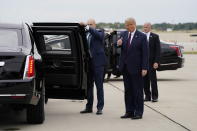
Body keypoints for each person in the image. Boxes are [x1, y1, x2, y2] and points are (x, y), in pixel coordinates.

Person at [116, 17, 148, 119]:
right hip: (125, 68)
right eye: (126, 25)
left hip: (137, 69)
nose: (128, 27)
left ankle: (138, 112)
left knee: (137, 91)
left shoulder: (142, 36)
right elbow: (120, 47)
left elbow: (145, 54)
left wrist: (144, 68)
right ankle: (129, 111)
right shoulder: (124, 34)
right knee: (128, 91)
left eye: (129, 24)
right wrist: (118, 44)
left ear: (134, 24)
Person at [80, 19, 106, 115]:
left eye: (91, 24)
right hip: (89, 64)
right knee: (89, 87)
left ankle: (100, 108)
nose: (89, 25)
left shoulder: (100, 32)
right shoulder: (86, 33)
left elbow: (98, 35)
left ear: (95, 25)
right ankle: (89, 107)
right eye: (88, 24)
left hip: (98, 64)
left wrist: (87, 27)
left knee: (99, 86)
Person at [143, 22, 161, 102]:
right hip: (144, 62)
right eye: (144, 27)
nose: (145, 28)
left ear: (150, 28)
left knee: (153, 80)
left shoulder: (155, 37)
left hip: (152, 62)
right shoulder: (142, 36)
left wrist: (156, 62)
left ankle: (155, 96)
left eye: (146, 27)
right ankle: (147, 96)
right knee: (145, 81)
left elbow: (158, 51)